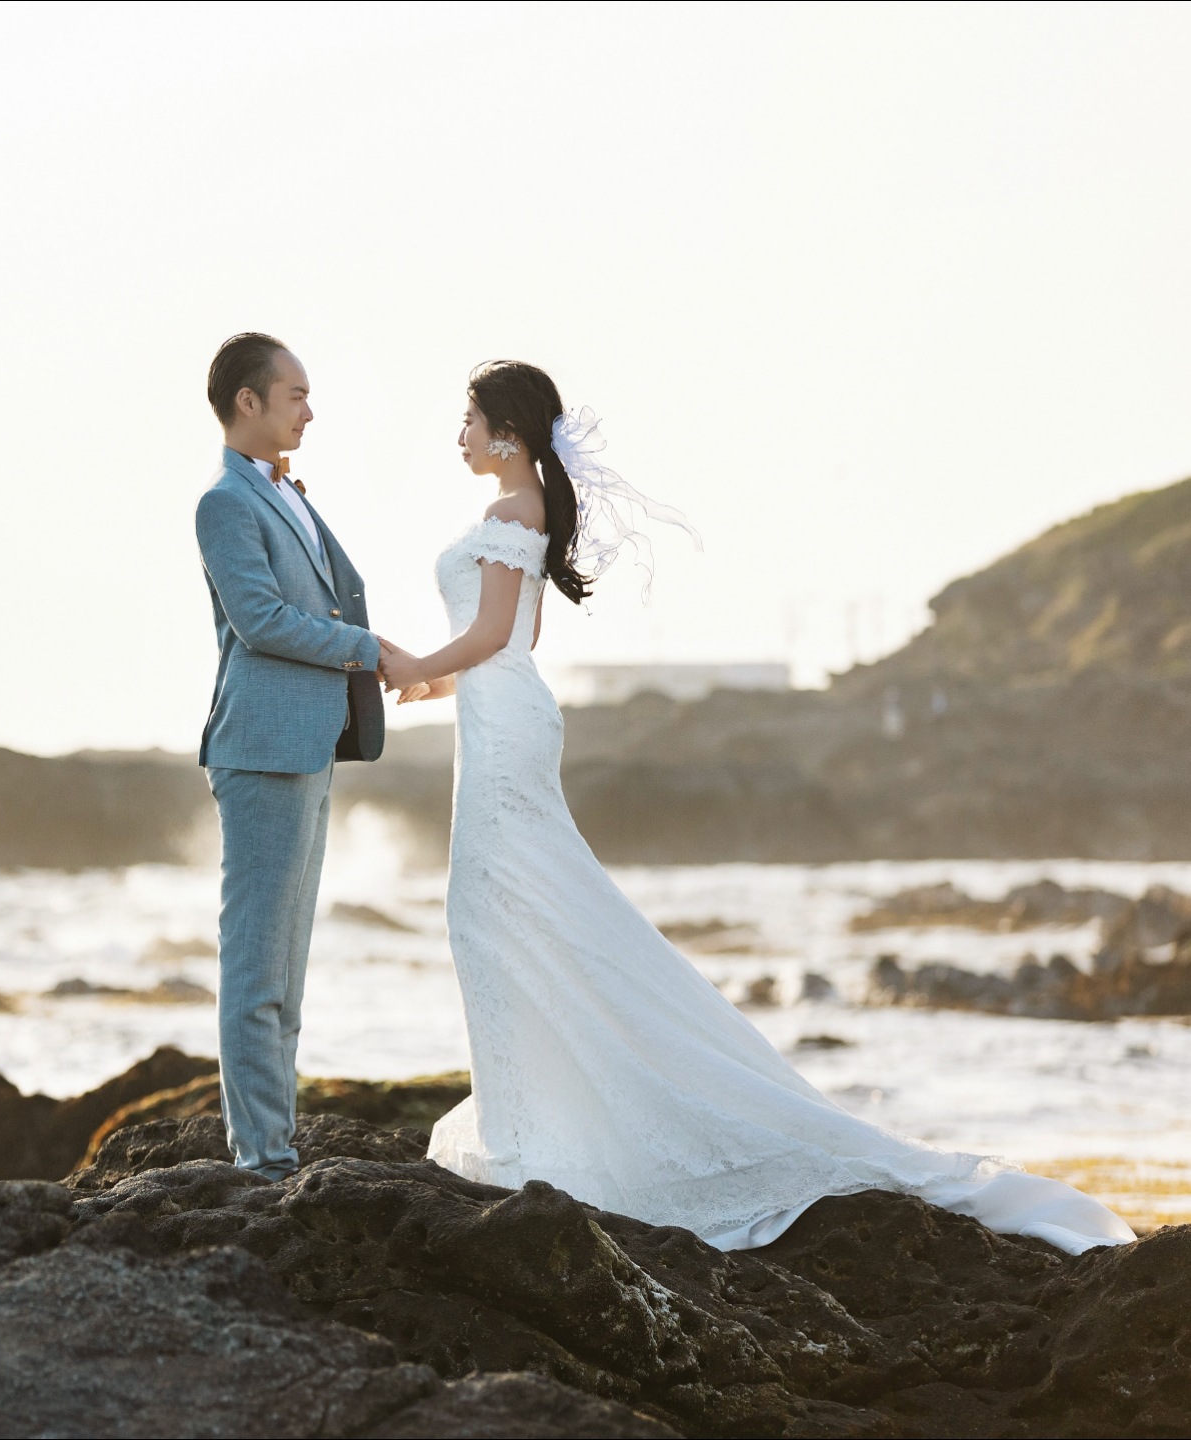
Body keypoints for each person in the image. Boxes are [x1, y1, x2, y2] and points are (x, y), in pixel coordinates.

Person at [383, 358, 1133, 1253]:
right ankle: (530, 1121)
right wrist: (436, 686)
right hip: (503, 715)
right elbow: (514, 641)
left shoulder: (511, 513)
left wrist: (415, 663)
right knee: (516, 912)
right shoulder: (525, 510)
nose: (459, 436)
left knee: (491, 911)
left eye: (469, 420)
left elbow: (494, 635)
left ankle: (521, 1134)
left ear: (507, 431)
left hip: (504, 728)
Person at [191, 332, 406, 1179]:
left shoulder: (283, 491)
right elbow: (261, 621)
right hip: (262, 748)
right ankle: (260, 1160)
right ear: (248, 401)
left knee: (287, 969)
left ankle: (274, 1148)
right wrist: (368, 650)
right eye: (297, 395)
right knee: (256, 967)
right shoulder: (225, 503)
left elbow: (330, 594)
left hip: (310, 745)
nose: (310, 412)